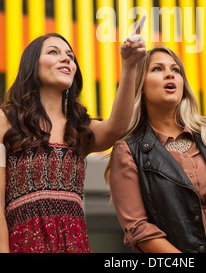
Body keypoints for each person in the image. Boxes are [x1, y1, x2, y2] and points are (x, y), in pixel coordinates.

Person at [0, 16, 147, 253]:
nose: (66, 58)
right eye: (53, 52)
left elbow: (116, 128)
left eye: (69, 55)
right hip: (23, 244)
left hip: (74, 244)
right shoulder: (5, 122)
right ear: (32, 64)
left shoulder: (78, 130)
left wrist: (129, 66)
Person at [106, 45, 206, 254]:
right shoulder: (127, 151)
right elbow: (139, 229)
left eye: (175, 70)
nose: (169, 73)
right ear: (140, 85)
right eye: (157, 69)